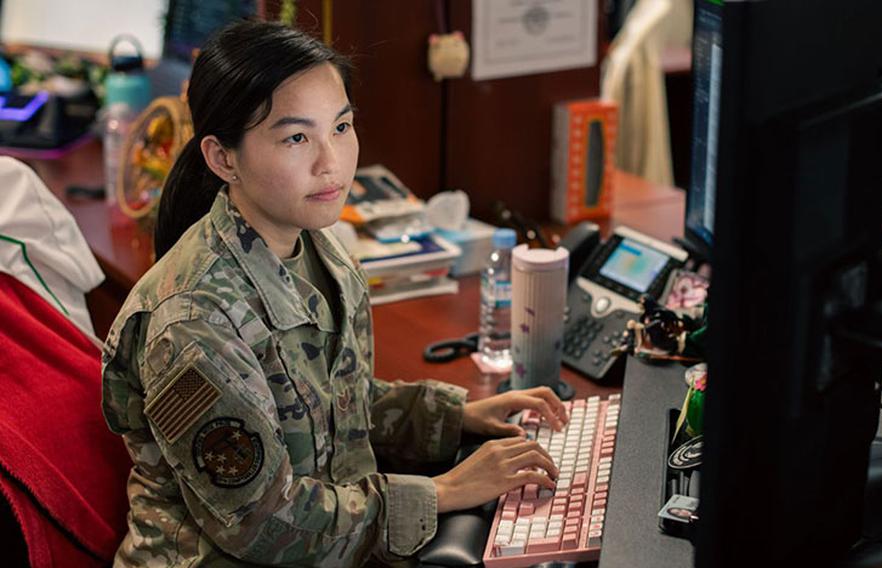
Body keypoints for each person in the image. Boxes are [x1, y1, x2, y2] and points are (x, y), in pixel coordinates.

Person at [101, 20, 568, 567]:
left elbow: (336, 408)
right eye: (297, 137)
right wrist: (445, 492)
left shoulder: (321, 249)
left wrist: (457, 415)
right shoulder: (192, 322)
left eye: (341, 127)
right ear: (223, 158)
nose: (332, 162)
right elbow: (262, 521)